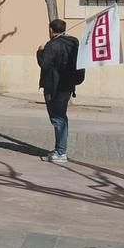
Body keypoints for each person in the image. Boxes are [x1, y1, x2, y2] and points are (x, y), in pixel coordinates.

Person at [37, 19, 80, 163]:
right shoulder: (74, 43)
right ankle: (60, 149)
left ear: (51, 30)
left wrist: (40, 52)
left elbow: (44, 64)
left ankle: (61, 152)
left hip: (54, 87)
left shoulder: (52, 45)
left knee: (57, 118)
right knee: (62, 117)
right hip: (67, 86)